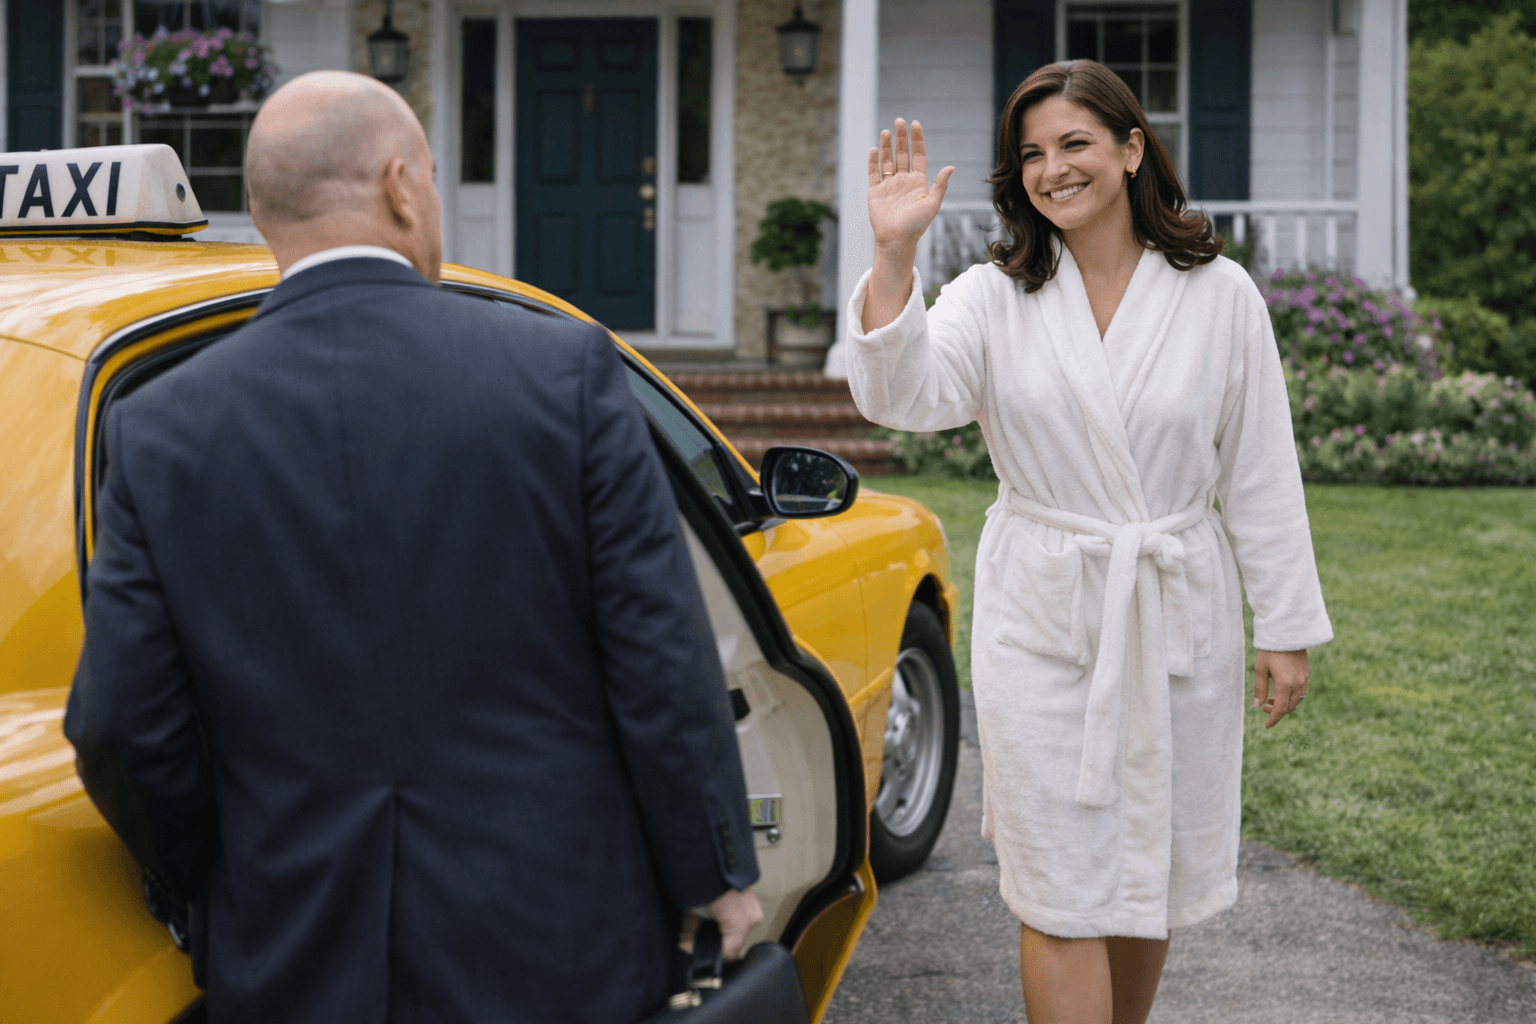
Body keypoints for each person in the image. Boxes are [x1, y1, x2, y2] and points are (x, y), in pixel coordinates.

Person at [64, 70, 762, 1024]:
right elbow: (657, 659)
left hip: (294, 946)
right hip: (555, 938)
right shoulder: (563, 372)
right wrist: (714, 875)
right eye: (432, 177)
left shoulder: (158, 429)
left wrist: (227, 868)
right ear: (401, 186)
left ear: (264, 215)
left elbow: (120, 723)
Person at [845, 61, 1332, 1024]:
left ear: (1131, 148)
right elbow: (904, 396)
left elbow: (1261, 466)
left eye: (1074, 143)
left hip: (1172, 602)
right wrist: (896, 256)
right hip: (1046, 620)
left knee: (1144, 864)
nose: (1052, 169)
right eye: (1031, 153)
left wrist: (1284, 623)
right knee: (1061, 886)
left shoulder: (1220, 294)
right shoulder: (994, 296)